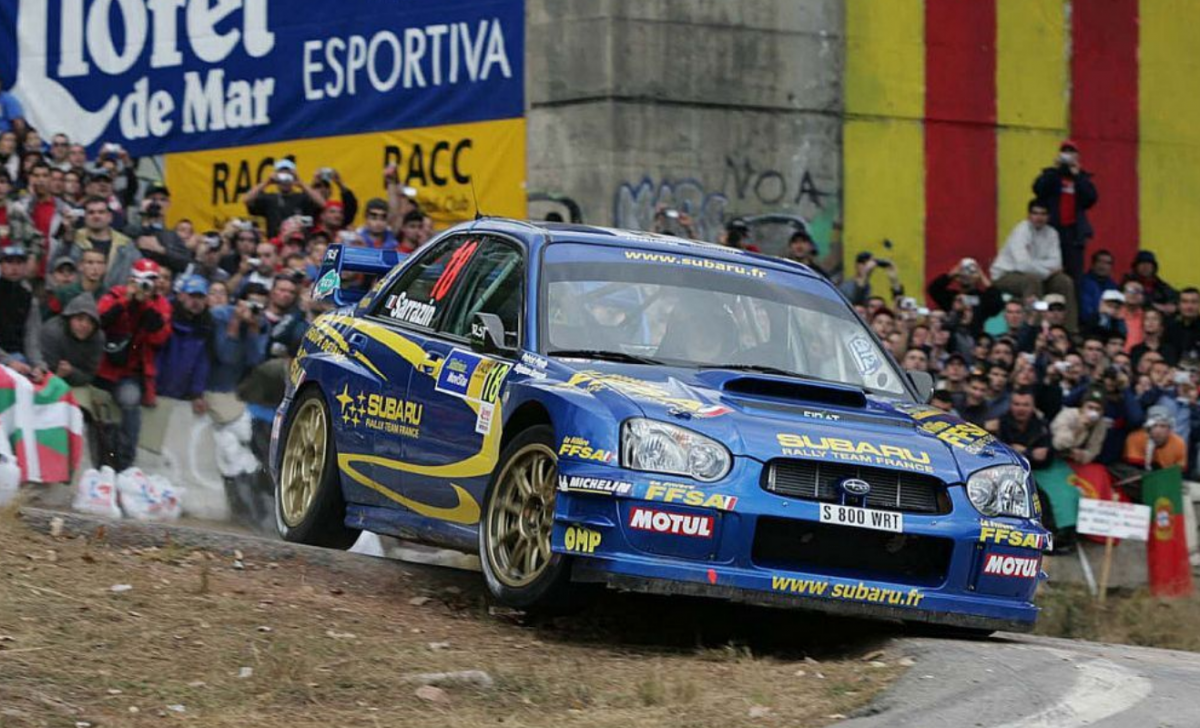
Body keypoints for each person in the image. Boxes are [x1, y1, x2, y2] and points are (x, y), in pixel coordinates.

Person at [95, 259, 173, 471]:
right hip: (102, 367)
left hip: (129, 373)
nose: (147, 285)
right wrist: (127, 300)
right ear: (131, 279)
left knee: (131, 403)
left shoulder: (160, 305)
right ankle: (101, 462)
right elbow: (98, 321)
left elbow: (159, 337)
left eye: (152, 280)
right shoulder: (115, 294)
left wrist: (144, 303)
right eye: (143, 280)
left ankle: (125, 464)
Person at [991, 199, 1077, 331]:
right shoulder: (1021, 230)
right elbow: (1022, 266)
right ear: (1029, 215)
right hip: (1005, 275)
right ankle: (1034, 330)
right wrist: (1047, 271)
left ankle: (1069, 330)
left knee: (1064, 281)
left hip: (1037, 276)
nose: (1039, 217)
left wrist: (1034, 265)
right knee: (1032, 281)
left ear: (1048, 217)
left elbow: (1057, 263)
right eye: (1035, 213)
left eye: (1043, 214)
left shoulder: (1052, 233)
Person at [1032, 140, 1098, 282]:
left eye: (1071, 152)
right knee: (1048, 272)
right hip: (1051, 230)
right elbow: (1038, 189)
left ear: (1077, 157)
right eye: (1065, 152)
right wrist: (1055, 170)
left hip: (1073, 234)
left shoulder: (1081, 177)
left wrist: (1078, 175)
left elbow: (1090, 199)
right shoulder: (1051, 175)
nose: (1067, 155)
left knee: (1074, 275)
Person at [156, 275, 213, 414]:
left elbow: (202, 363)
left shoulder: (207, 326)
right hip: (154, 391)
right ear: (181, 296)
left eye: (200, 297)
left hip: (181, 397)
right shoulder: (165, 317)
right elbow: (155, 356)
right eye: (192, 296)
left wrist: (197, 394)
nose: (196, 301)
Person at [63, 195, 139, 291]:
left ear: (110, 217)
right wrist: (67, 237)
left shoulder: (126, 244)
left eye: (101, 212)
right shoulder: (73, 238)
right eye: (91, 212)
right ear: (85, 217)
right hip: (77, 296)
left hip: (115, 298)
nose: (96, 216)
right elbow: (56, 267)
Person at [243, 158, 324, 238]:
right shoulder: (269, 199)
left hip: (298, 241)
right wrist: (267, 182)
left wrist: (301, 183)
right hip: (274, 242)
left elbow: (322, 203)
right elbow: (246, 200)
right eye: (282, 175)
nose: (285, 180)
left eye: (288, 176)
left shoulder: (302, 197)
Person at [0, 245, 46, 378]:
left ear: (25, 266)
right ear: (1, 265)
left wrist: (38, 366)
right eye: (9, 262)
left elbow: (32, 339)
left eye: (19, 262)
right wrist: (8, 361)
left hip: (19, 360)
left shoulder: (29, 299)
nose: (14, 267)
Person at [40, 294, 104, 388]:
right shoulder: (52, 332)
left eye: (91, 321)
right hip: (45, 382)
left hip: (77, 383)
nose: (84, 325)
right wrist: (57, 375)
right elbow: (42, 369)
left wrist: (71, 372)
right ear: (69, 318)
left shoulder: (97, 338)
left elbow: (90, 375)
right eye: (79, 319)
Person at [927, 257, 1002, 337]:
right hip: (952, 339)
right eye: (962, 273)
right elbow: (933, 290)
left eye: (971, 273)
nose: (966, 276)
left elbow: (997, 304)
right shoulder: (952, 297)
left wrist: (981, 275)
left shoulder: (982, 299)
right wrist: (951, 274)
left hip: (974, 339)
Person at [127, 184, 191, 274]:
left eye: (162, 200)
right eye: (153, 199)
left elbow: (185, 263)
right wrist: (142, 216)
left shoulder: (172, 236)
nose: (157, 203)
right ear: (144, 201)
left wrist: (161, 250)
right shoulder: (131, 228)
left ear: (168, 204)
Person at [991, 387, 1052, 469]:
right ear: (1010, 405)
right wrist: (1031, 453)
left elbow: (1043, 457)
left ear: (1033, 406)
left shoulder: (1042, 425)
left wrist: (1025, 451)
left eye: (1026, 405)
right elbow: (998, 454)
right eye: (1017, 404)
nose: (1021, 409)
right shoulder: (1000, 424)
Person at [1050, 386, 1109, 465]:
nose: (1093, 412)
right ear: (1083, 407)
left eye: (1097, 409)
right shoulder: (1067, 415)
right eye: (1090, 407)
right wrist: (1080, 427)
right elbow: (1059, 444)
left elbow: (1094, 449)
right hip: (1053, 457)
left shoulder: (1100, 424)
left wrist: (1083, 455)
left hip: (1074, 463)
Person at [1124, 405, 1187, 471]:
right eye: (1154, 426)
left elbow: (1179, 471)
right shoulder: (1135, 438)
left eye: (1163, 426)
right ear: (1147, 428)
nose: (1158, 431)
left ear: (1169, 429)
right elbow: (1131, 469)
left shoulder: (1179, 443)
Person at [1122, 250, 1178, 316]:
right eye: (1142, 263)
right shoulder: (1128, 281)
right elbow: (1136, 299)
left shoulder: (1158, 283)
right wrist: (1157, 306)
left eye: (1148, 264)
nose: (1145, 267)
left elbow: (1174, 295)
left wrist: (1172, 305)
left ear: (1154, 267)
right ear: (1136, 267)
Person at [1079, 250, 1118, 322]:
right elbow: (1085, 312)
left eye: (1107, 263)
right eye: (1100, 262)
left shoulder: (1113, 286)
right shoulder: (1084, 283)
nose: (1103, 266)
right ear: (1093, 264)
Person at [1169, 287, 1200, 362]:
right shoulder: (1170, 329)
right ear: (1179, 305)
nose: (1189, 306)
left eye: (1194, 302)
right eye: (1185, 302)